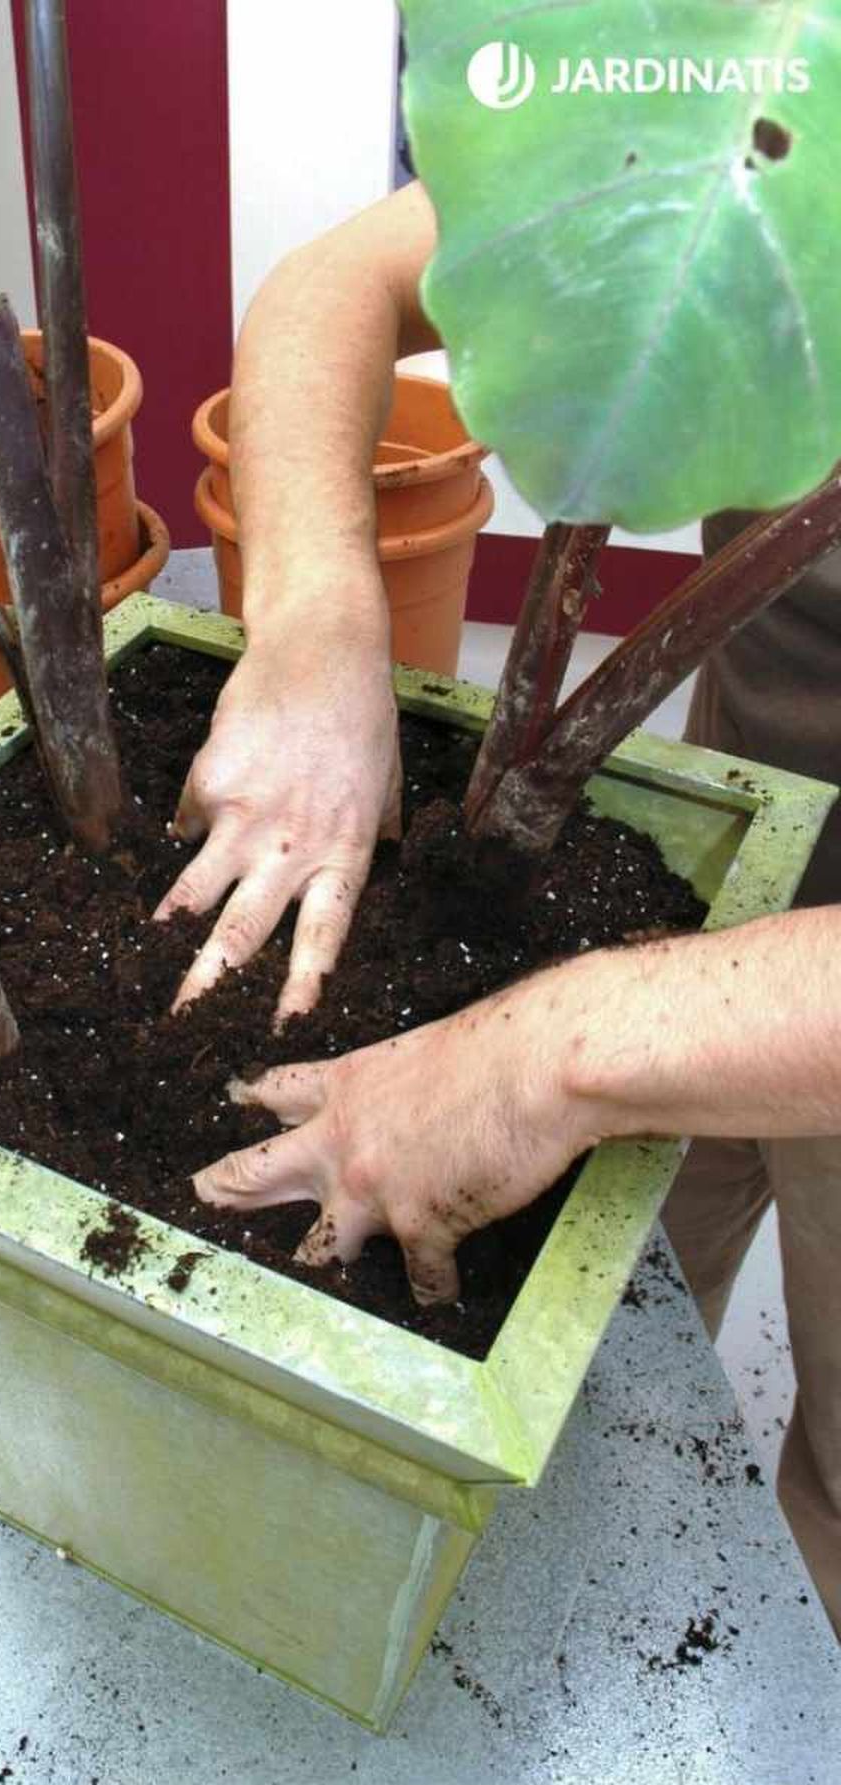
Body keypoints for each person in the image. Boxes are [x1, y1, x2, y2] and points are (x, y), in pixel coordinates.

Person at [154, 182, 841, 1634]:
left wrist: (559, 1044)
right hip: (741, 872)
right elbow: (340, 281)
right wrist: (321, 617)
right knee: (612, 1341)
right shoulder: (766, 89)